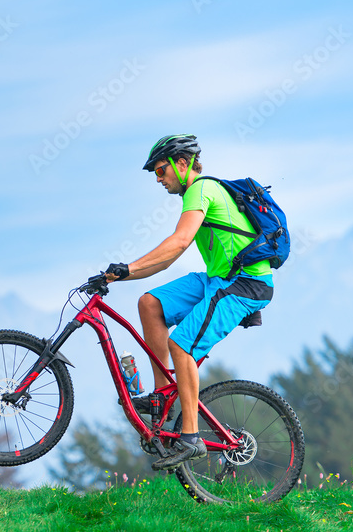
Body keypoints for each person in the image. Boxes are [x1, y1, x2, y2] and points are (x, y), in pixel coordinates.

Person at [104, 134, 274, 471]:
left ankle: (191, 437)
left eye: (161, 169)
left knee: (180, 345)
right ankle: (162, 396)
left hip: (246, 284)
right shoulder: (197, 194)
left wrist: (128, 268)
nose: (157, 177)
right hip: (217, 279)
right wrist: (121, 275)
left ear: (183, 164)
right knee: (150, 303)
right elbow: (165, 261)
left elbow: (179, 243)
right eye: (155, 171)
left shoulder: (201, 189)